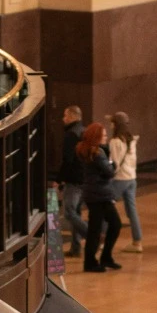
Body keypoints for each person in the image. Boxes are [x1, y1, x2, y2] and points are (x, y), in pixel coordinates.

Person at [78, 122, 121, 272]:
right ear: (96, 137)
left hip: (94, 194)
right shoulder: (98, 153)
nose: (106, 137)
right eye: (103, 135)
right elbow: (109, 171)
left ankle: (103, 258)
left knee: (97, 228)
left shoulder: (88, 151)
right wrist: (114, 165)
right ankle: (93, 261)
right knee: (109, 226)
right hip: (99, 194)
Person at [106, 111, 142, 254]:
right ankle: (137, 241)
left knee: (104, 206)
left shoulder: (115, 142)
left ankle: (102, 240)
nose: (110, 125)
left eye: (111, 122)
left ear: (116, 125)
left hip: (120, 179)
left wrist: (108, 176)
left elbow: (114, 163)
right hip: (132, 178)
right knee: (131, 210)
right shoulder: (131, 139)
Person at [57, 105, 87, 257]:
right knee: (76, 212)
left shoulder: (71, 135)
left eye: (66, 116)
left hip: (73, 179)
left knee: (69, 212)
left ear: (73, 117)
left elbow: (67, 160)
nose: (63, 119)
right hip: (84, 178)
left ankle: (91, 234)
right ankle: (76, 247)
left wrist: (59, 179)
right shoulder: (84, 131)